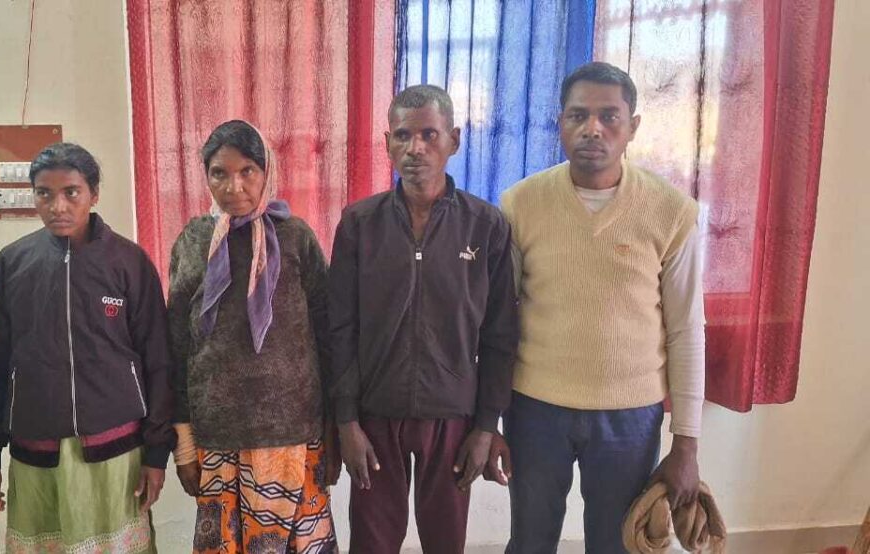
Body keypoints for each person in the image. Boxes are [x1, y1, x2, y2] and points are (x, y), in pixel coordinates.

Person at [496, 61, 704, 553]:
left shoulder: (671, 211)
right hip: (535, 407)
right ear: (560, 123)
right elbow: (498, 320)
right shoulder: (520, 204)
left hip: (630, 415)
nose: (593, 128)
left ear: (633, 126)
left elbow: (687, 329)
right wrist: (489, 418)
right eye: (578, 115)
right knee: (529, 541)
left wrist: (686, 444)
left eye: (609, 116)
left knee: (617, 543)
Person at [327, 84, 519, 553]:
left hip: (453, 418)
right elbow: (340, 329)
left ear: (454, 139)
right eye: (403, 135)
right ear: (387, 143)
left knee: (445, 543)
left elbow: (500, 336)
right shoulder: (359, 224)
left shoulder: (485, 226)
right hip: (375, 416)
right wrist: (346, 422)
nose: (415, 148)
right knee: (371, 544)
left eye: (429, 134)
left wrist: (486, 426)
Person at [0, 142, 174, 553]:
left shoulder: (129, 262)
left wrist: (157, 454)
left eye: (71, 192)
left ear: (93, 194)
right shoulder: (14, 263)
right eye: (44, 194)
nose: (58, 206)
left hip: (115, 454)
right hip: (36, 453)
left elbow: (158, 360)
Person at [167, 120, 338, 553]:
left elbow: (328, 336)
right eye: (219, 173)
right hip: (217, 436)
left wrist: (334, 428)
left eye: (247, 171)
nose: (234, 186)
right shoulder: (194, 241)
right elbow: (177, 346)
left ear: (267, 172)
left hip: (292, 435)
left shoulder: (296, 237)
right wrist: (183, 445)